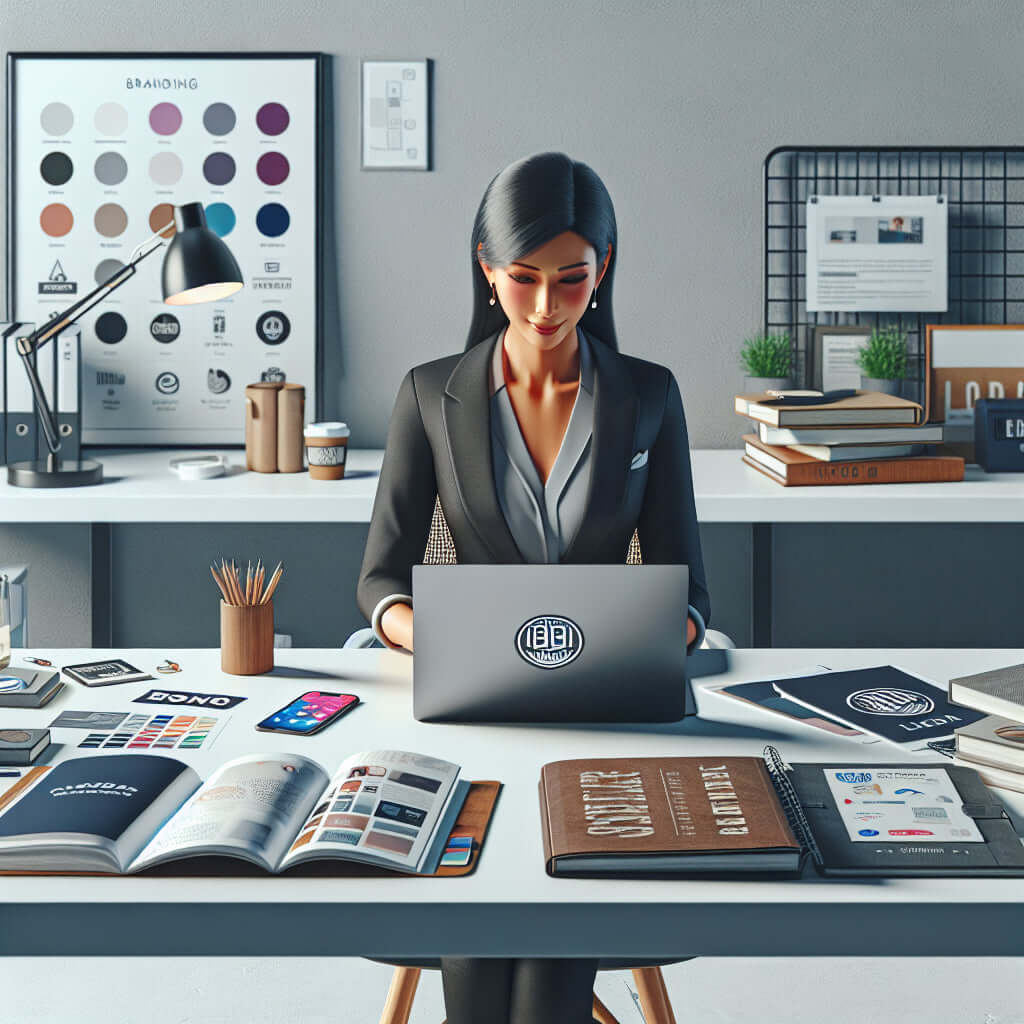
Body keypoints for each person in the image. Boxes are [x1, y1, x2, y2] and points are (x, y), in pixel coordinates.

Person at [357, 152, 710, 1024]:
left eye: (572, 279)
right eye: (523, 279)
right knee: (495, 912)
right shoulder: (429, 393)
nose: (548, 307)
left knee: (549, 913)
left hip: (605, 725)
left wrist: (671, 634)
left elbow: (692, 588)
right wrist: (422, 632)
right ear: (485, 266)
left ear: (605, 267)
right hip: (470, 714)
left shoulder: (650, 397)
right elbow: (380, 578)